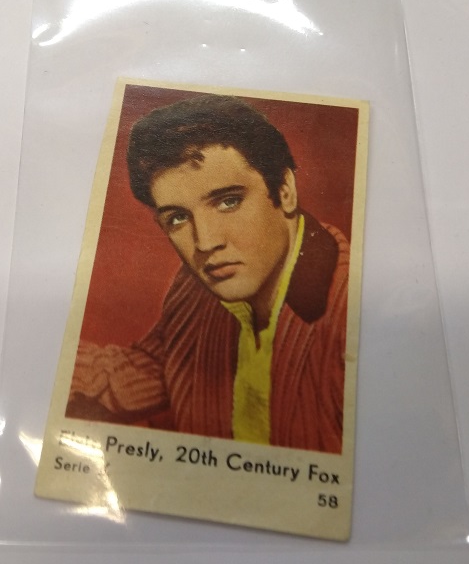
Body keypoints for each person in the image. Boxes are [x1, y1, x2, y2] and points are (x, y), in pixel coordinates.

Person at [67, 94, 350, 454]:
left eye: (229, 201)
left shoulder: (349, 313)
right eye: (177, 218)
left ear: (285, 191)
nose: (205, 242)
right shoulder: (196, 286)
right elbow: (157, 367)